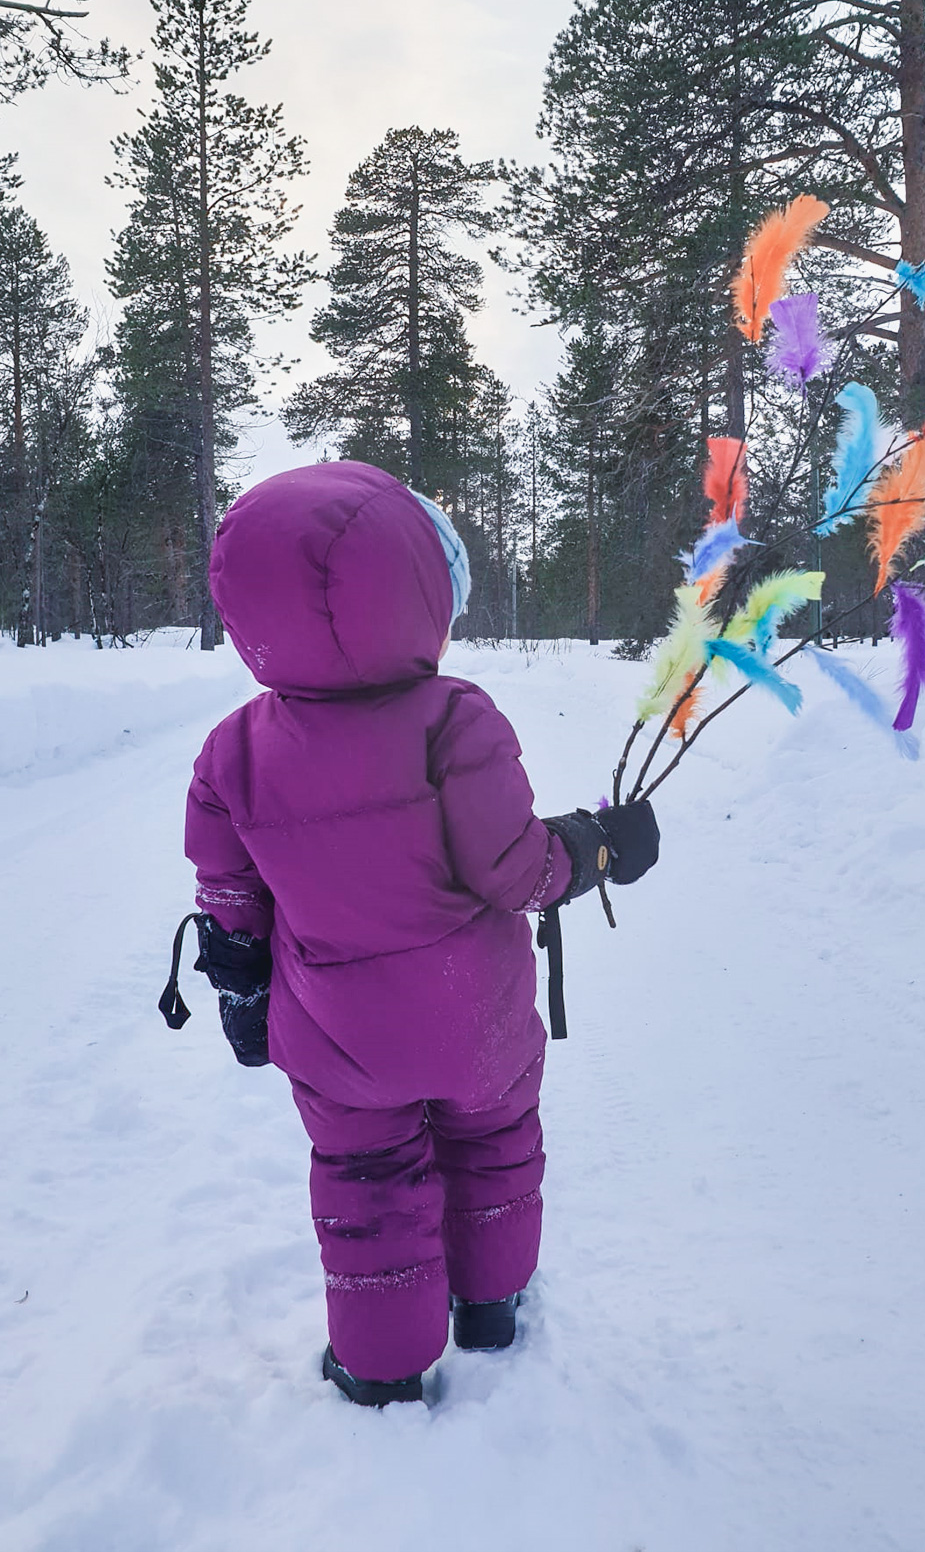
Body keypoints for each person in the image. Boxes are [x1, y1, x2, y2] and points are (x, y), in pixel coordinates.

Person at [182, 461, 659, 1405]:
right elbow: (519, 869)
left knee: (367, 1188)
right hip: (474, 1020)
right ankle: (489, 1307)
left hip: (338, 1039)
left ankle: (381, 1367)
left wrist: (242, 991)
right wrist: (596, 849)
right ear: (416, 590)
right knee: (494, 1147)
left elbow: (228, 894)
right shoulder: (454, 720)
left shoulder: (233, 748)